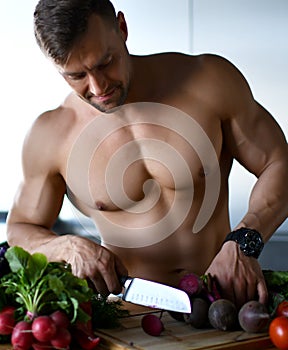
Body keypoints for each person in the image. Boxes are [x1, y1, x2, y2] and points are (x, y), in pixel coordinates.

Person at [6, 0, 288, 309]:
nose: (98, 87)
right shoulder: (51, 134)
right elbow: (21, 228)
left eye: (105, 62)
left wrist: (244, 242)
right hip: (126, 319)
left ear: (122, 28)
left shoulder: (208, 80)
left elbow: (279, 163)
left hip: (221, 305)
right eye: (76, 76)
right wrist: (65, 246)